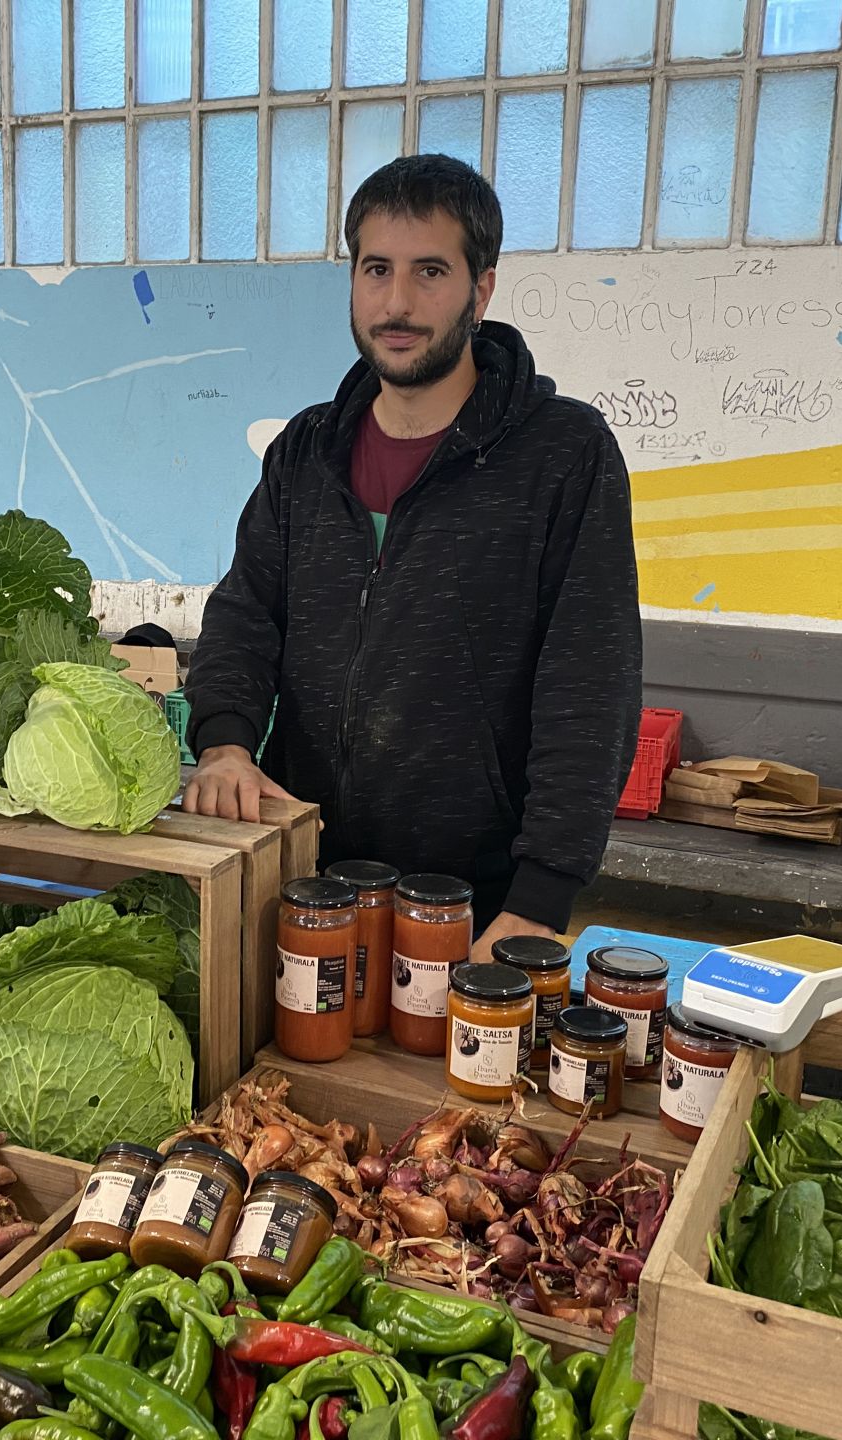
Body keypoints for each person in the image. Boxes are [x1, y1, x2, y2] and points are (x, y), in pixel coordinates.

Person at [180, 154, 642, 961]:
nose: (397, 303)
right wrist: (223, 743)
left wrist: (540, 898)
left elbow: (589, 680)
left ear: (481, 290)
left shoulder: (564, 455)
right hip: (303, 879)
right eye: (377, 270)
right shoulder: (307, 450)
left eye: (430, 271)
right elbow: (245, 614)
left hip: (475, 902)